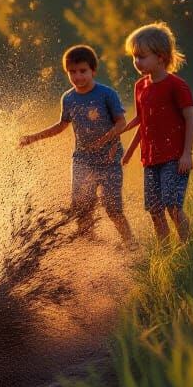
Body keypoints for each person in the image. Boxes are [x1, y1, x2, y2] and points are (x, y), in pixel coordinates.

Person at [19, 44, 136, 247]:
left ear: (93, 71)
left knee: (112, 208)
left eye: (82, 71)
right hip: (82, 159)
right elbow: (61, 125)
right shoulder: (69, 98)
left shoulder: (107, 94)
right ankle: (87, 245)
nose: (77, 76)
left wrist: (105, 139)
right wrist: (33, 138)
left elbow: (121, 123)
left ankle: (130, 243)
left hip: (109, 158)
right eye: (72, 72)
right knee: (81, 206)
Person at [122, 23, 193, 243]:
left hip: (175, 158)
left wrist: (187, 154)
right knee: (154, 210)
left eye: (142, 57)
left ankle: (189, 247)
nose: (136, 62)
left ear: (161, 57)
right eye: (134, 57)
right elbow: (142, 121)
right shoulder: (140, 86)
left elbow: (190, 119)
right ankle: (164, 252)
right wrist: (128, 150)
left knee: (172, 206)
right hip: (150, 158)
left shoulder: (176, 85)